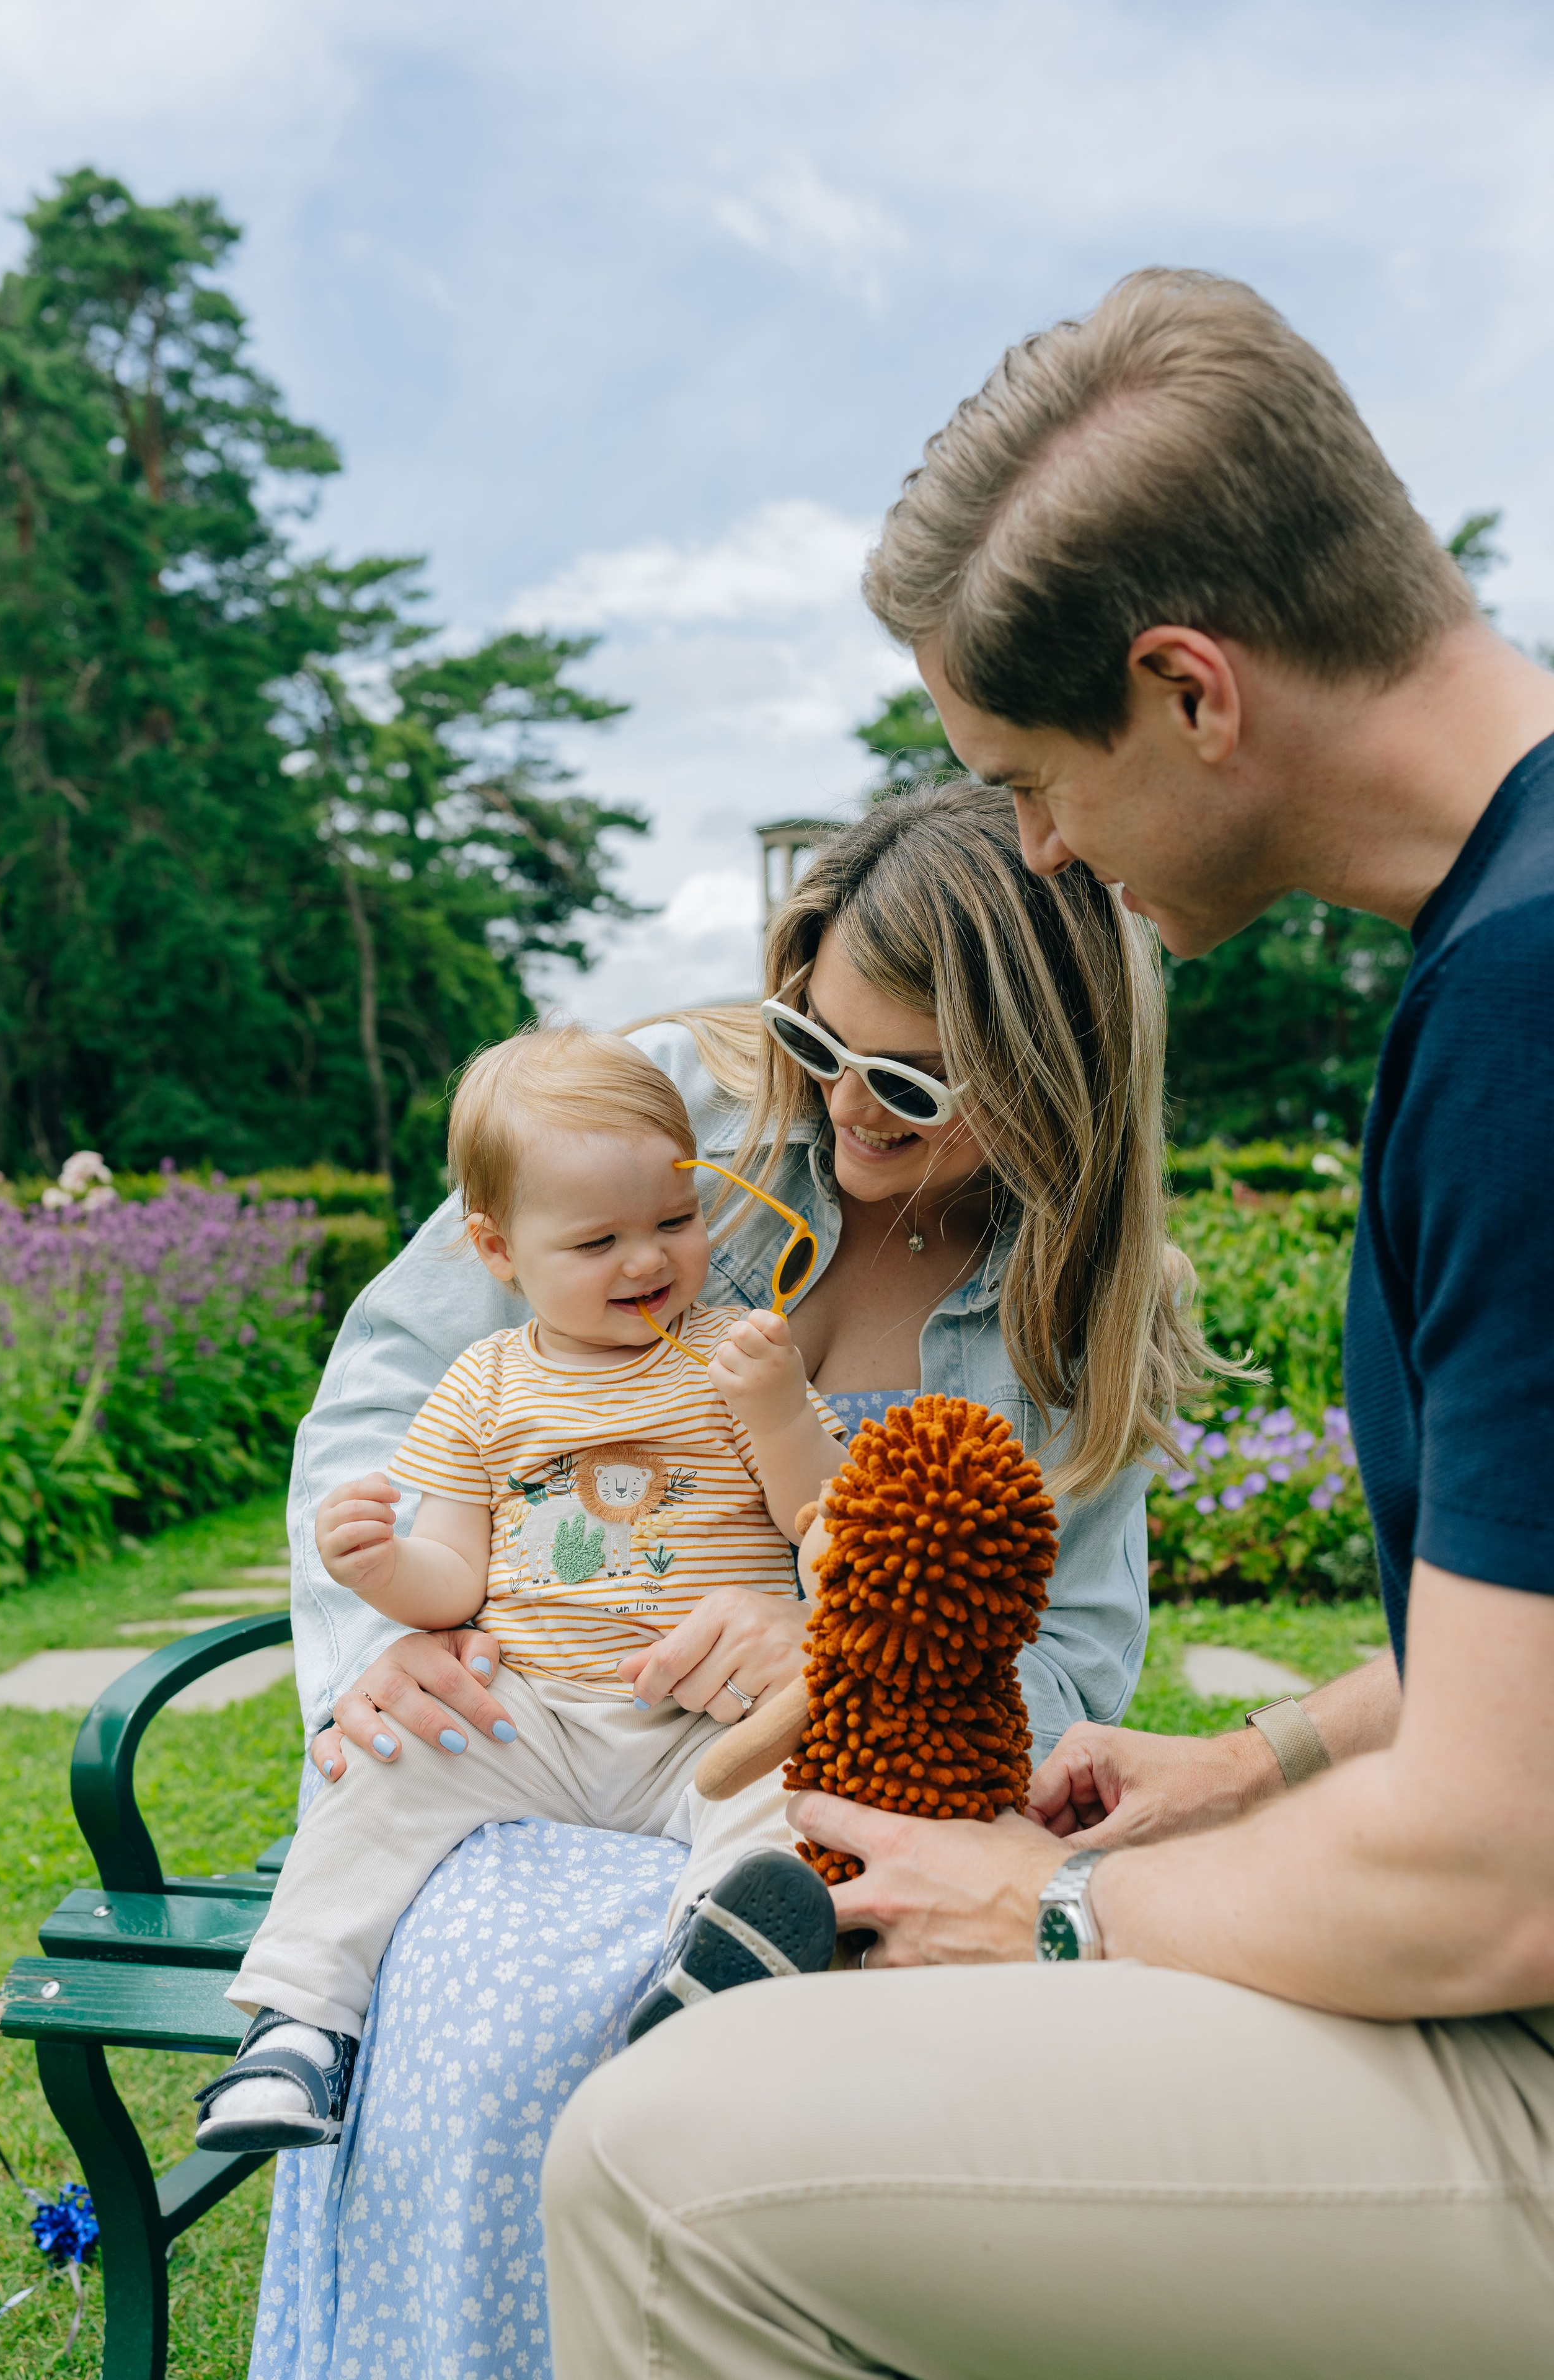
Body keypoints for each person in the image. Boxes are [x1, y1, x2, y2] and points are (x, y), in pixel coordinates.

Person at [540, 268, 1554, 2379]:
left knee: (663, 2160)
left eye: (1026, 775)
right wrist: (1258, 1757)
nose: (1036, 848)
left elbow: (1498, 1876)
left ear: (1190, 691)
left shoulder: (1523, 1013)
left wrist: (1060, 1908)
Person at [249, 782, 1217, 2379]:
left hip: (797, 1804)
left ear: (1050, 1078)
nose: (842, 1106)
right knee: (495, 2005)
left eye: (908, 1081)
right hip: (529, 1736)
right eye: (816, 1040)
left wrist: (850, 1638)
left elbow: (1068, 1663)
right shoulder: (668, 1104)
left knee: (677, 2001)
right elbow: (388, 1395)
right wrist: (398, 1634)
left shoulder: (1075, 1302)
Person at [201, 1026, 846, 2154]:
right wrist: (378, 1568)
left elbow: (823, 1520)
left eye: (675, 1221)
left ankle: (715, 1969)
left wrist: (784, 1410)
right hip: (533, 1717)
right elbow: (452, 1578)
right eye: (598, 1241)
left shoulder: (736, 1356)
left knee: (793, 1785)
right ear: (498, 1252)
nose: (646, 1262)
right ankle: (298, 2024)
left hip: (702, 1722)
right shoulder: (483, 1384)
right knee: (379, 1774)